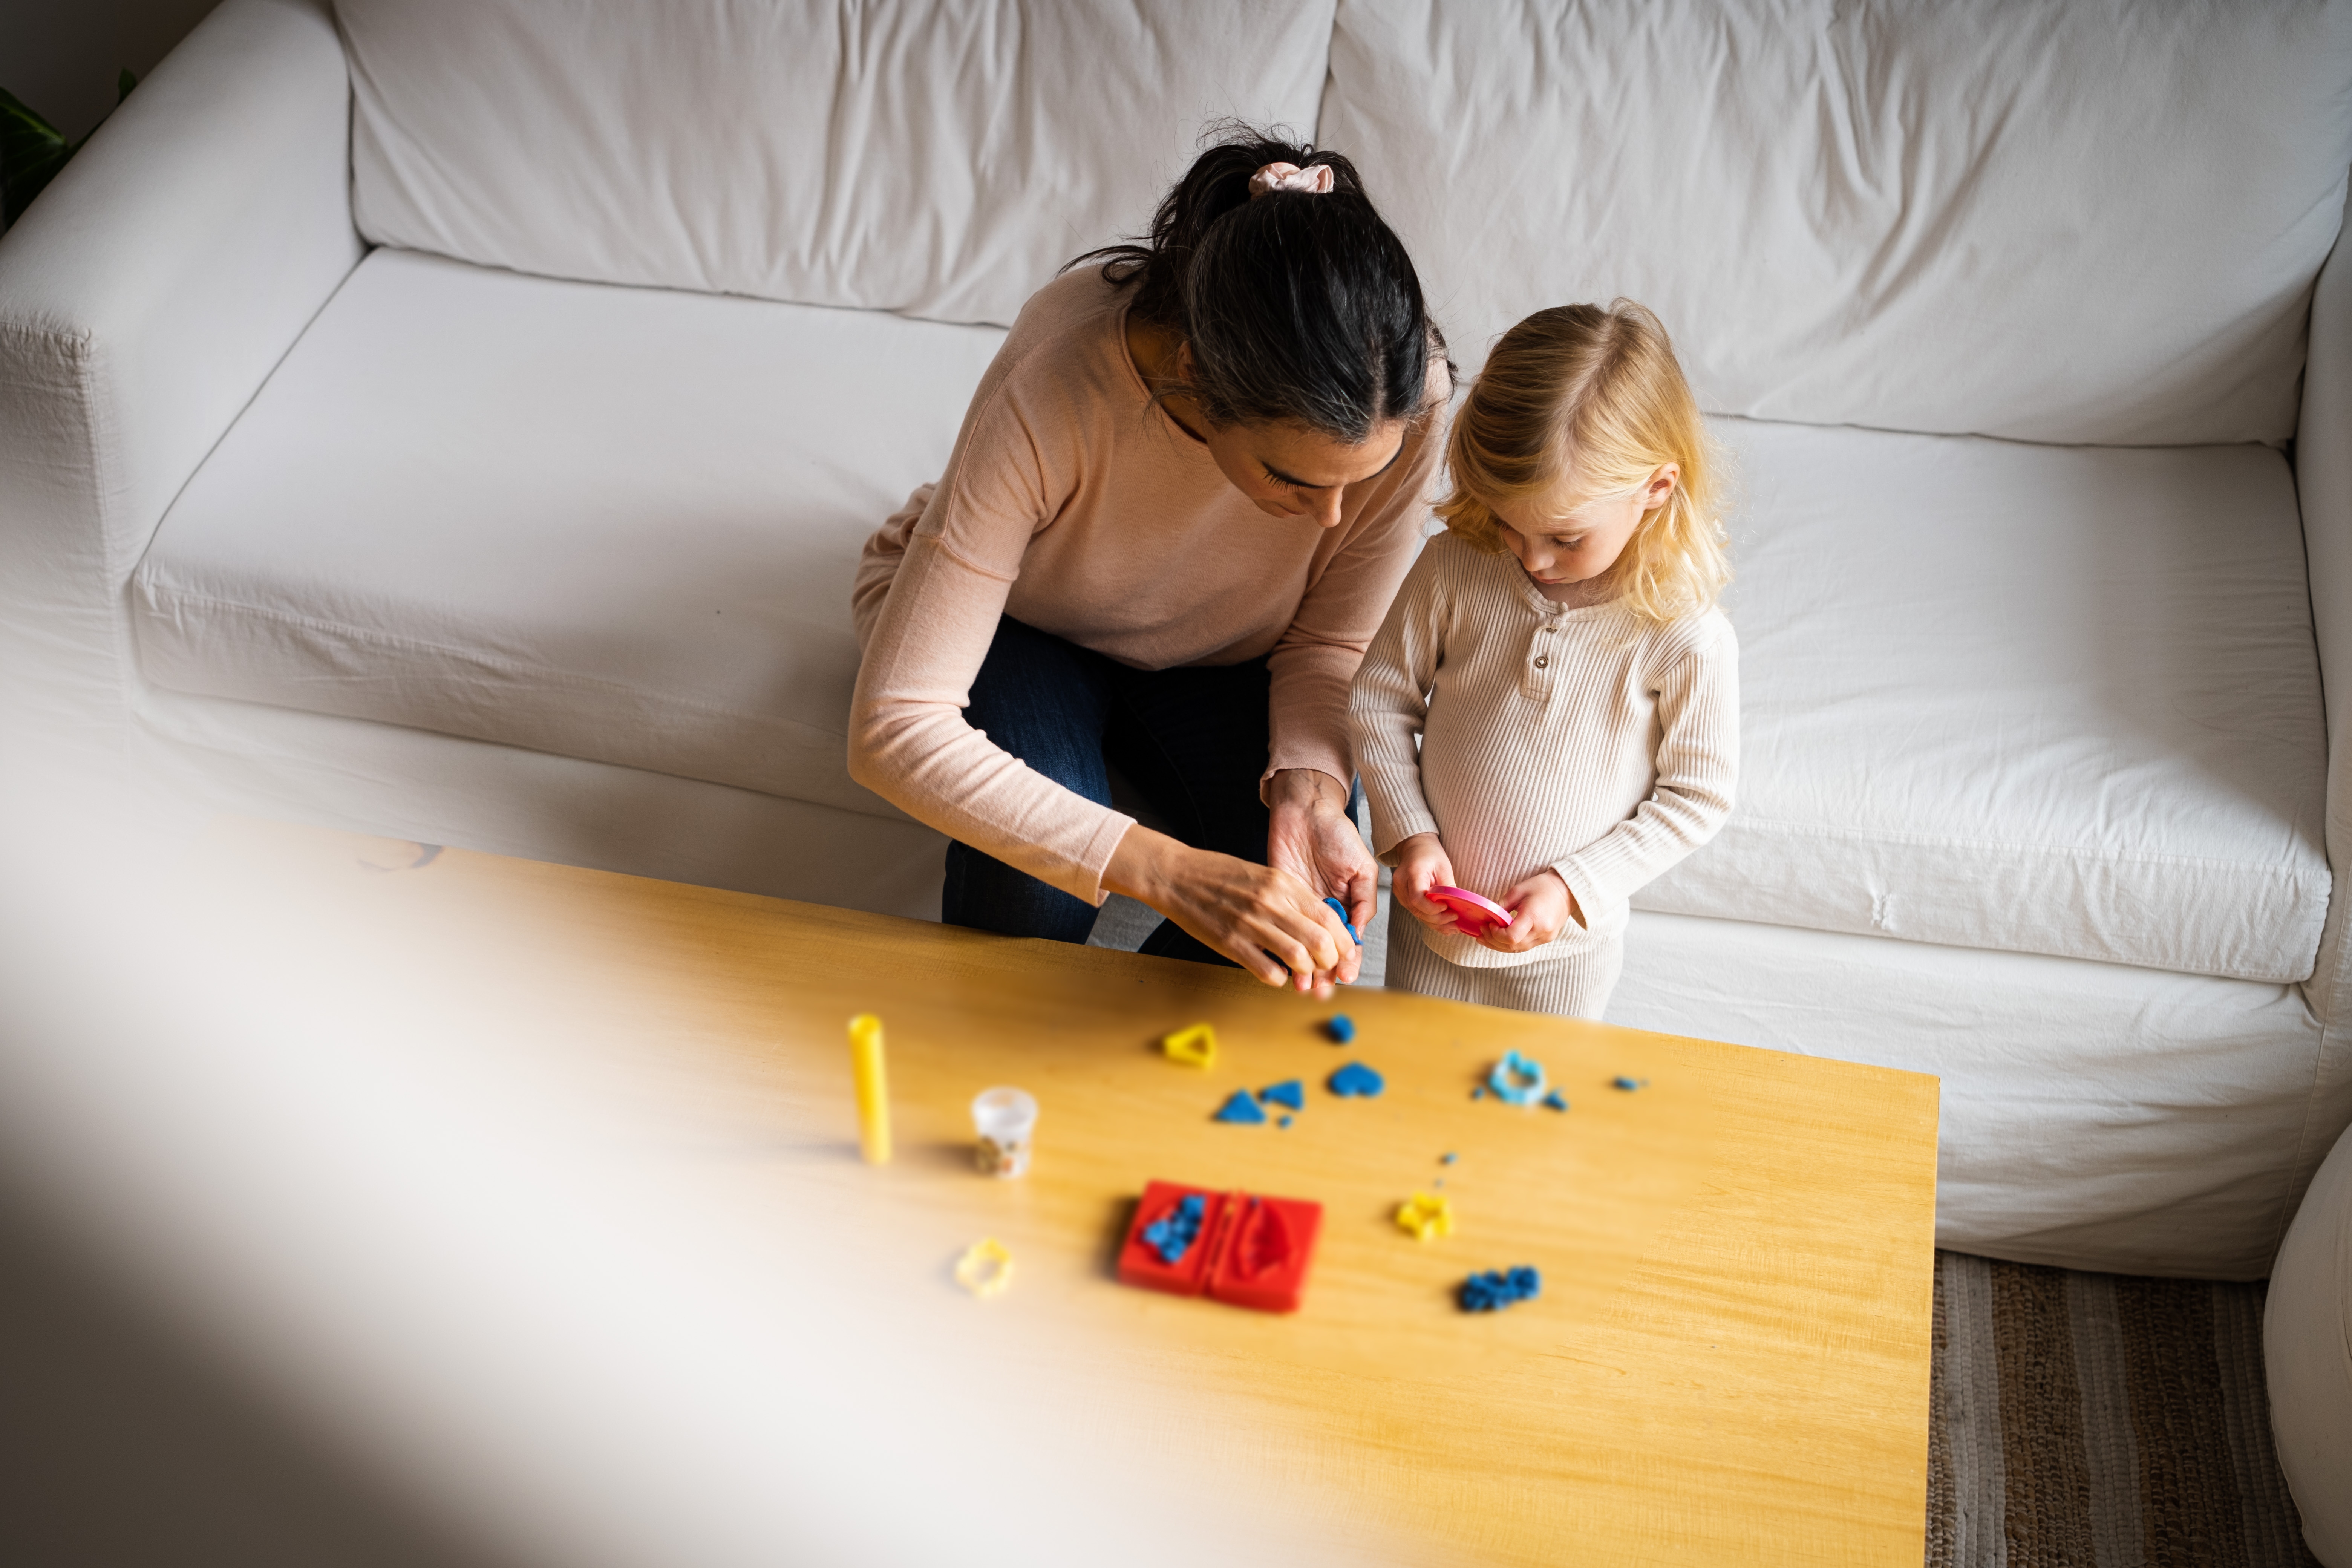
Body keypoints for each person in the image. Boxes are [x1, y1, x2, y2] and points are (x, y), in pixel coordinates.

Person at [849, 129, 1449, 995]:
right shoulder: (1064, 369)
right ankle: (1002, 1057)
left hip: (1228, 657)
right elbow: (896, 724)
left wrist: (1310, 789)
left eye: (1360, 481)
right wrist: (1169, 871)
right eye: (1289, 476)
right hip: (1028, 620)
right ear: (1193, 374)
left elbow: (1326, 643)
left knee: (1293, 908)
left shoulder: (1405, 396)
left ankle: (1128, 1095)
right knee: (1034, 887)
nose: (1332, 517)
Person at [1349, 301, 1738, 1019]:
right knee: (1410, 1096)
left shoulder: (1684, 633)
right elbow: (1378, 701)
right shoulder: (1455, 566)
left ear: (1656, 488)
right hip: (1432, 932)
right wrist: (1411, 835)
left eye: (1565, 537)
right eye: (1508, 521)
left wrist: (1574, 884)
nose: (1531, 557)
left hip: (1566, 960)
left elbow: (1698, 797)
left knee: (1537, 1118)